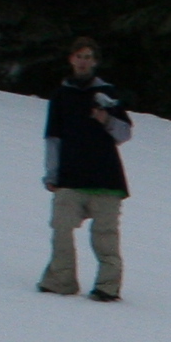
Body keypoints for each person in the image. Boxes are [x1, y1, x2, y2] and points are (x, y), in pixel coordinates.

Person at [39, 38, 134, 300]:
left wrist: (106, 120)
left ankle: (107, 286)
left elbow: (124, 132)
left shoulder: (107, 93)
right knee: (61, 228)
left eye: (88, 56)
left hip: (106, 179)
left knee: (105, 237)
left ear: (95, 61)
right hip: (70, 177)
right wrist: (52, 174)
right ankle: (61, 280)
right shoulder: (61, 96)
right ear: (71, 59)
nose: (83, 61)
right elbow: (53, 138)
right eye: (79, 56)